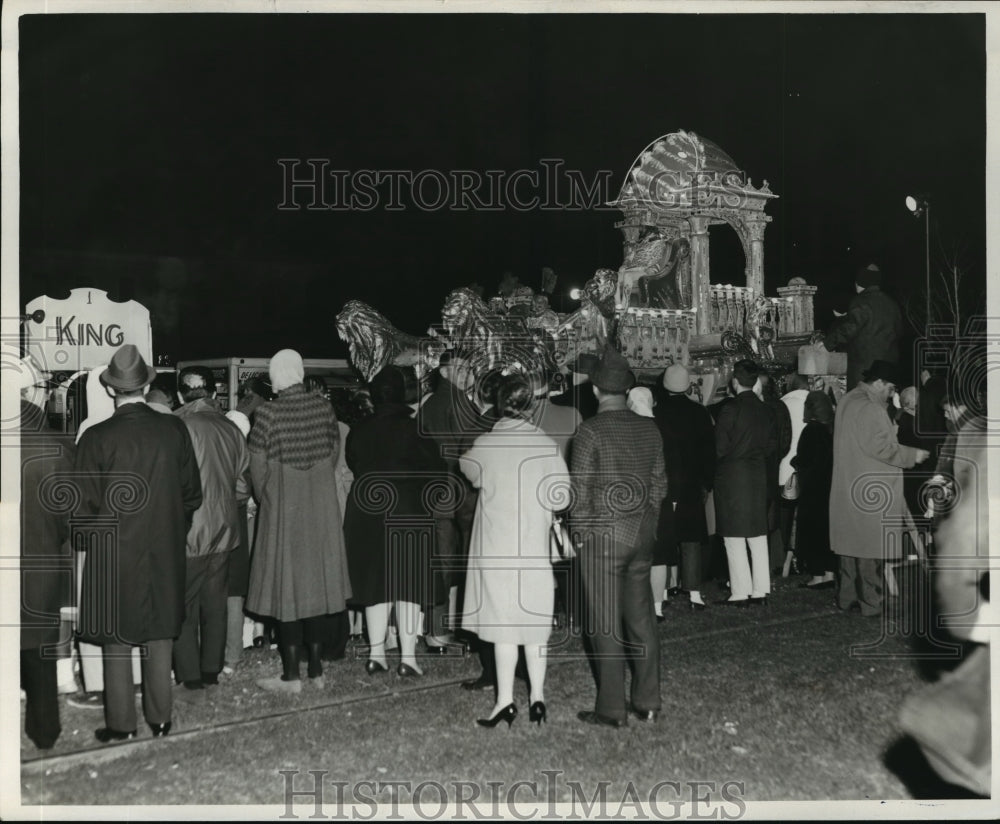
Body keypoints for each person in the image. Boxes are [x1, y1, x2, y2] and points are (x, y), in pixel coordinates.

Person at [75, 344, 203, 741]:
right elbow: (191, 494)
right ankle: (160, 719)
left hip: (113, 549)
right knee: (160, 630)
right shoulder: (174, 429)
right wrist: (171, 529)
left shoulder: (97, 437)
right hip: (164, 545)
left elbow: (82, 507)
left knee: (117, 636)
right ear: (145, 386)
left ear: (112, 390)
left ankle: (122, 725)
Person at [459, 374, 570, 728]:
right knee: (535, 624)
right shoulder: (547, 445)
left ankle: (505, 702)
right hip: (534, 547)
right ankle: (538, 697)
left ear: (498, 405)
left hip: (497, 547)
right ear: (531, 406)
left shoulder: (486, 445)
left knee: (503, 626)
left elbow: (468, 469)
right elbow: (563, 497)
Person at [570, 345, 667, 727]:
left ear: (595, 390)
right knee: (641, 620)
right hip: (641, 535)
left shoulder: (589, 430)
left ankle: (611, 709)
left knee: (605, 624)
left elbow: (579, 491)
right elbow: (659, 485)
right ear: (626, 390)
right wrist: (649, 523)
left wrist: (579, 536)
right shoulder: (648, 427)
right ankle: (648, 701)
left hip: (603, 536)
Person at [246, 349, 352, 693]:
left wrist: (270, 499)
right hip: (320, 510)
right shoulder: (324, 408)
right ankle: (317, 670)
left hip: (285, 512)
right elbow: (334, 454)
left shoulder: (267, 413)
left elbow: (257, 469)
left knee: (286, 592)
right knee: (316, 591)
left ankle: (291, 676)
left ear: (278, 375)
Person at [343, 366, 444, 678]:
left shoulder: (359, 429)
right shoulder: (415, 428)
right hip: (408, 510)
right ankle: (408, 658)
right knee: (409, 585)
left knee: (375, 584)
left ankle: (375, 654)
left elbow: (354, 462)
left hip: (367, 509)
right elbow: (437, 471)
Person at [829, 360, 930, 616]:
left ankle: (847, 597)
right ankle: (871, 603)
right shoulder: (871, 409)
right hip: (870, 486)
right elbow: (882, 448)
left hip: (847, 484)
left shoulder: (847, 400)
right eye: (891, 388)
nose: (893, 394)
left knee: (849, 546)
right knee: (869, 548)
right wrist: (913, 455)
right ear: (878, 383)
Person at [172, 365, 251, 690]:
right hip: (224, 530)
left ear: (180, 394)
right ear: (214, 393)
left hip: (188, 531)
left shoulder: (176, 426)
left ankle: (189, 675)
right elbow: (244, 487)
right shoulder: (231, 429)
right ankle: (211, 670)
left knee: (184, 604)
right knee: (215, 603)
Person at [19, 357, 74, 750]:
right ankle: (44, 731)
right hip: (39, 562)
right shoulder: (53, 445)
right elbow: (69, 514)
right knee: (38, 649)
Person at [416, 352, 481, 653]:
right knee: (466, 560)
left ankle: (437, 629)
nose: (467, 373)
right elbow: (473, 448)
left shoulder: (430, 404)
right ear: (443, 371)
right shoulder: (458, 402)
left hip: (435, 492)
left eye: (469, 368)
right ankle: (462, 629)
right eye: (461, 368)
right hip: (460, 491)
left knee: (440, 563)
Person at [714, 359, 778, 606]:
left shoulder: (730, 409)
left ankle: (740, 591)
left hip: (732, 475)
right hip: (758, 473)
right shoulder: (766, 410)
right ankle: (761, 589)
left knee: (733, 535)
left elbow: (719, 447)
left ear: (735, 382)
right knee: (758, 533)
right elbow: (773, 444)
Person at [653, 363, 715, 612]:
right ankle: (695, 594)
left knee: (665, 538)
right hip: (692, 483)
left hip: (665, 483)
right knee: (690, 540)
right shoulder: (700, 413)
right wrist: (706, 482)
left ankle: (664, 590)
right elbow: (710, 452)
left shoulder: (657, 413)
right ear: (689, 386)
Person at [816, 263, 904, 391]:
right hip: (888, 368)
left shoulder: (861, 301)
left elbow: (849, 329)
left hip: (864, 370)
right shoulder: (892, 303)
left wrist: (827, 344)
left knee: (861, 402)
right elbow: (899, 331)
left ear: (860, 283)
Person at [791, 391, 836, 589]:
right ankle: (829, 572)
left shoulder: (811, 430)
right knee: (827, 533)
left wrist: (795, 461)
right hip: (830, 488)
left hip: (813, 490)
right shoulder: (831, 429)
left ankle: (817, 575)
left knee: (813, 532)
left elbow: (805, 459)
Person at [778, 374, 811, 564]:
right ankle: (801, 557)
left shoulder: (783, 402)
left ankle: (784, 557)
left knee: (785, 516)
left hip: (784, 469)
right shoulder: (812, 402)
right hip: (805, 467)